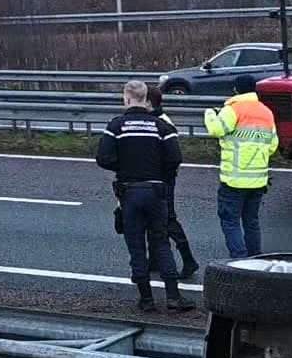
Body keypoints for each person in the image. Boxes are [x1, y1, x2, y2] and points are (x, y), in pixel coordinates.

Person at [96, 80, 192, 312]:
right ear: (146, 98)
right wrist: (157, 172)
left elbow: (103, 158)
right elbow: (174, 158)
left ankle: (146, 299)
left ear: (127, 98)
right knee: (160, 243)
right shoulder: (161, 126)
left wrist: (126, 168)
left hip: (129, 191)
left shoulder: (116, 126)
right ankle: (173, 297)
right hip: (156, 190)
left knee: (136, 246)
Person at [203, 75, 276, 259]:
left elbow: (216, 130)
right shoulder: (266, 111)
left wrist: (210, 114)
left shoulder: (233, 109)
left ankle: (239, 260)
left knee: (230, 221)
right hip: (258, 179)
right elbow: (273, 145)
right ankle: (255, 258)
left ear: (236, 90)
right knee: (251, 221)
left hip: (234, 179)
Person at [147, 83, 201, 279]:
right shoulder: (158, 119)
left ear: (148, 102)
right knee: (154, 220)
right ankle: (153, 260)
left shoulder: (163, 123)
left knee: (168, 219)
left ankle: (188, 260)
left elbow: (171, 156)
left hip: (163, 179)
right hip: (159, 178)